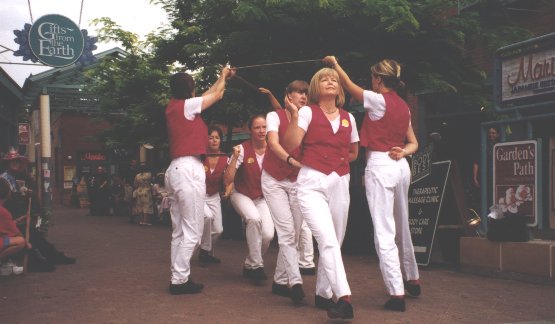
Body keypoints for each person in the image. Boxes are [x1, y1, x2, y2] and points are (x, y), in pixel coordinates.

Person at [324, 56, 421, 312]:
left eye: (373, 78)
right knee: (402, 224)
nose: (371, 82)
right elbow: (414, 143)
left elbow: (348, 86)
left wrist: (335, 65)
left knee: (383, 230)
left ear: (379, 79)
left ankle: (396, 292)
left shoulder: (378, 100)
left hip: (381, 164)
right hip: (400, 166)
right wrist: (404, 152)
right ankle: (412, 277)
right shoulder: (405, 106)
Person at [283, 67, 359, 319]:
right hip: (312, 181)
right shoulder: (306, 111)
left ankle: (324, 293)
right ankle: (344, 298)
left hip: (340, 179)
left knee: (335, 241)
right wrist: (294, 115)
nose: (330, 81)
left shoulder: (349, 117)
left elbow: (354, 152)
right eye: (325, 78)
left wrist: (336, 163)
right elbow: (291, 144)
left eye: (334, 79)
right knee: (326, 239)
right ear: (316, 86)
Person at [165, 66, 234, 295]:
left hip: (175, 169)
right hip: (188, 169)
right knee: (193, 230)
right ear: (189, 89)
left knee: (178, 231)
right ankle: (179, 279)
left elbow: (208, 94)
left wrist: (221, 77)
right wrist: (224, 77)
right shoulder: (186, 107)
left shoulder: (177, 107)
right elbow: (217, 95)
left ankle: (177, 276)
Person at [259, 81, 309, 304]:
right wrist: (291, 159)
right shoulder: (274, 116)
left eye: (306, 93)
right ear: (288, 96)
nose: (304, 96)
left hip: (297, 180)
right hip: (273, 179)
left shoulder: (308, 117)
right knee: (287, 233)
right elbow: (273, 143)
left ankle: (279, 281)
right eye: (299, 92)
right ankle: (295, 282)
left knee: (296, 233)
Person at [224, 115, 274, 282]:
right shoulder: (242, 149)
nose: (261, 131)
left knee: (267, 235)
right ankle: (257, 266)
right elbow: (228, 179)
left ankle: (250, 264)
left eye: (264, 127)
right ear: (250, 130)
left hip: (262, 197)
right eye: (257, 127)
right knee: (253, 219)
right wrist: (235, 158)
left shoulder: (273, 148)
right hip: (241, 194)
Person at [199, 126, 229, 264]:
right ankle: (204, 253)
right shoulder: (200, 157)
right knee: (208, 217)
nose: (214, 140)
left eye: (217, 138)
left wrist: (228, 189)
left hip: (215, 195)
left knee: (218, 230)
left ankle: (208, 252)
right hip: (200, 195)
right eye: (211, 137)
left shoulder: (226, 159)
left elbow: (230, 179)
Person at [0, 177, 29, 274]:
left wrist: (15, 221)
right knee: (20, 241)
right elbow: (15, 233)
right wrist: (27, 243)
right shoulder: (3, 212)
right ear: (8, 193)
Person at [472, 127, 500, 208]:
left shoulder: (500, 145)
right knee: (487, 198)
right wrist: (475, 178)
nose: (491, 135)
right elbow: (476, 162)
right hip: (486, 177)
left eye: (493, 133)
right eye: (490, 133)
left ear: (498, 134)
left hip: (497, 177)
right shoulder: (483, 146)